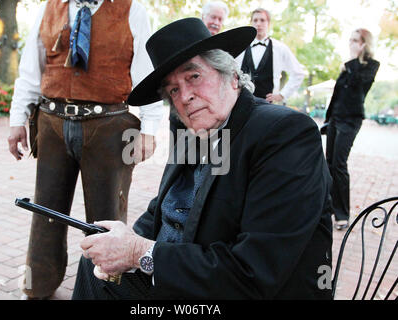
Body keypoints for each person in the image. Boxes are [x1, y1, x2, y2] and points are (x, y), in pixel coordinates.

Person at [71, 18, 333, 300]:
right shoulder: (193, 129)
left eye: (194, 76)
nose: (184, 97)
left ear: (232, 76)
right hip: (186, 276)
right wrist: (120, 243)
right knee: (94, 265)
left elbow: (254, 273)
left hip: (235, 290)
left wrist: (138, 253)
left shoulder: (285, 134)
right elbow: (165, 207)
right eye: (173, 89)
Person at [8, 0, 163, 299]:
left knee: (107, 217)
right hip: (51, 122)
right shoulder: (48, 7)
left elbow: (147, 74)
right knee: (45, 211)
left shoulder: (132, 10)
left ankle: (106, 289)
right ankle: (38, 286)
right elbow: (30, 70)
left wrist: (149, 129)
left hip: (109, 125)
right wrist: (17, 120)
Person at [322, 29, 380, 231]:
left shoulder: (371, 66)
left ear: (364, 44)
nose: (351, 43)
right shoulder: (347, 66)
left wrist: (355, 59)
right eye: (350, 39)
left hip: (351, 120)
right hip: (336, 119)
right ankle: (327, 208)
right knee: (329, 163)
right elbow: (337, 95)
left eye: (356, 40)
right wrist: (328, 120)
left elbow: (358, 90)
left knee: (339, 164)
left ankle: (342, 213)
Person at [169, 1, 229, 141]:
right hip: (183, 114)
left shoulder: (226, 48)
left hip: (213, 119)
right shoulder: (184, 40)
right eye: (213, 17)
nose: (216, 22)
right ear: (203, 17)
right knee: (180, 156)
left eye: (220, 19)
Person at [236, 8, 306, 104]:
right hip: (241, 102)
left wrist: (282, 95)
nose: (258, 24)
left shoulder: (280, 48)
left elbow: (298, 73)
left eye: (262, 20)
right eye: (255, 20)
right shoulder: (241, 47)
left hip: (267, 105)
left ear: (268, 23)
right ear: (251, 23)